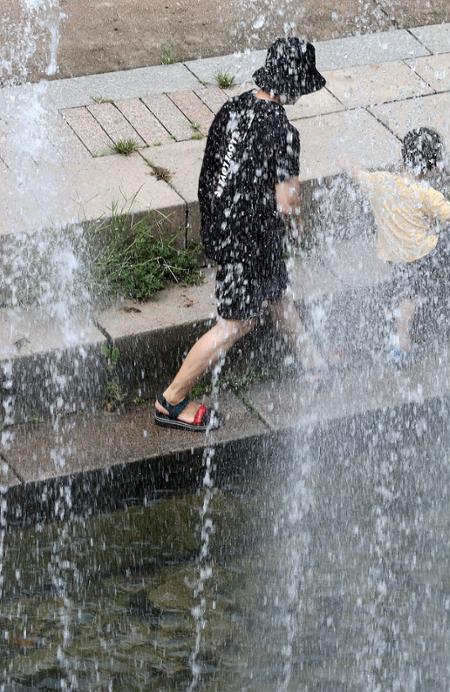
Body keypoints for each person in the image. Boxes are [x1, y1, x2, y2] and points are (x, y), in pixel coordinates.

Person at [154, 37, 327, 431]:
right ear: (296, 86)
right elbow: (287, 202)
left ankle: (314, 364)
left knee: (277, 293)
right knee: (237, 323)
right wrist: (297, 221)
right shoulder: (282, 130)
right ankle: (171, 400)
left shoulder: (232, 108)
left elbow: (215, 168)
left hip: (223, 224)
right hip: (245, 240)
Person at [347, 127, 450, 365]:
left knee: (408, 294)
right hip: (424, 254)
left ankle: (402, 346)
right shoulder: (426, 193)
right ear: (431, 166)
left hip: (395, 255)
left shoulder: (382, 182)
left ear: (404, 156)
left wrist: (347, 164)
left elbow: (358, 175)